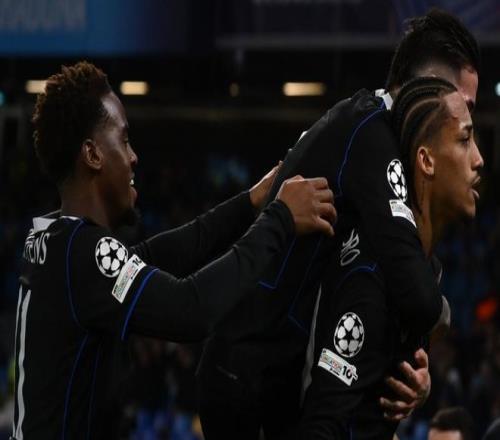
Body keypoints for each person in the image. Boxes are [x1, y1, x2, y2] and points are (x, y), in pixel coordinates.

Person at [10, 61, 336, 439]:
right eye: (124, 139)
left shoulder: (52, 239)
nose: (134, 156)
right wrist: (279, 219)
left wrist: (249, 203)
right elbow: (190, 309)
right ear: (93, 154)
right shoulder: (82, 254)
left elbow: (161, 254)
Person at [197, 8, 480, 439]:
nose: (466, 127)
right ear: (429, 90)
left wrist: (413, 369)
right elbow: (415, 292)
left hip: (265, 369)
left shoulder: (364, 127)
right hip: (250, 372)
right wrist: (437, 319)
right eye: (464, 117)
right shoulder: (372, 136)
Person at [300, 77, 483, 439]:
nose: (479, 160)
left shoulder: (422, 270)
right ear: (426, 161)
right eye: (465, 140)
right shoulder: (371, 276)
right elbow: (322, 425)